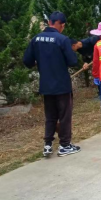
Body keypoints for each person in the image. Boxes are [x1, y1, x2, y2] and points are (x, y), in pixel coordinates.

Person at [23, 11, 81, 158]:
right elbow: (73, 61)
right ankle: (65, 145)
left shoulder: (36, 39)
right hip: (62, 85)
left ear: (49, 22)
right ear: (61, 25)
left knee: (50, 116)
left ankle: (47, 145)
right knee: (64, 115)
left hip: (46, 85)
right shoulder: (62, 39)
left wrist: (40, 62)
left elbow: (27, 61)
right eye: (63, 26)